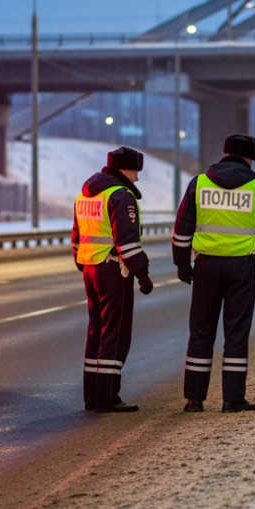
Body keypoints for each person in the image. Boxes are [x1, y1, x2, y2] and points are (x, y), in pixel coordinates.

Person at [172, 134, 255, 412]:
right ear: (251, 159)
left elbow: (181, 230)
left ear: (224, 153)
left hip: (206, 266)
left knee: (200, 332)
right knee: (236, 333)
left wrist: (182, 265)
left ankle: (194, 399)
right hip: (241, 268)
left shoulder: (198, 184)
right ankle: (232, 399)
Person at [72, 146, 154, 413]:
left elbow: (77, 238)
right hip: (113, 270)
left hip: (91, 269)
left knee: (96, 333)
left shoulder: (85, 195)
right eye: (135, 172)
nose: (137, 178)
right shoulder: (120, 196)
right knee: (115, 334)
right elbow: (127, 243)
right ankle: (107, 397)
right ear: (124, 170)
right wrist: (142, 274)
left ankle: (92, 397)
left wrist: (84, 262)